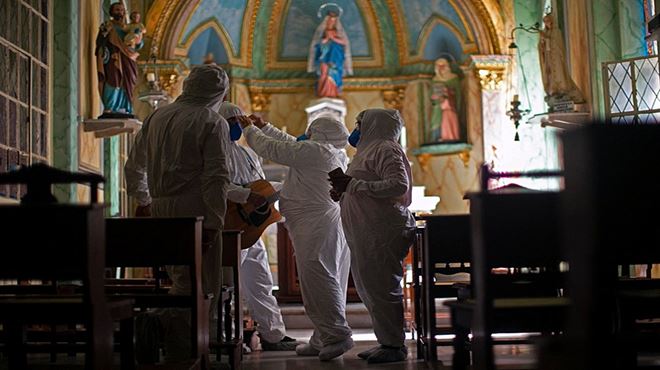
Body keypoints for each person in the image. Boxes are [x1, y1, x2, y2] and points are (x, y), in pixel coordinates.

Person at [125, 64, 231, 363]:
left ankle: (171, 339)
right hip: (194, 208)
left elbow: (134, 165)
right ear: (219, 93)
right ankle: (182, 351)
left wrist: (144, 200)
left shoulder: (158, 115)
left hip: (160, 207)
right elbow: (216, 176)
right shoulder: (212, 121)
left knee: (179, 279)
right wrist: (213, 221)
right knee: (201, 284)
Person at [237, 114, 354, 361]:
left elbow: (276, 149)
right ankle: (323, 337)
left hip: (316, 227)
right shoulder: (327, 151)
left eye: (311, 130)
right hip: (319, 225)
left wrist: (249, 129)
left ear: (319, 134)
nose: (307, 134)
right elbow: (292, 145)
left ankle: (337, 335)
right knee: (325, 278)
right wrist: (265, 126)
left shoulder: (317, 151)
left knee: (319, 279)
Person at [329, 108, 416, 364]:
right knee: (371, 289)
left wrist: (353, 185)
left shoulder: (385, 149)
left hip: (382, 230)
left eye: (360, 123)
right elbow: (366, 187)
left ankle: (394, 345)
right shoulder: (367, 151)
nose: (356, 129)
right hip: (367, 231)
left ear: (375, 124)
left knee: (383, 288)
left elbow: (398, 185)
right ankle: (386, 341)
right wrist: (344, 192)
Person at [217, 102, 301, 351]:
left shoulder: (247, 153)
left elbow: (260, 183)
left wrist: (281, 188)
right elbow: (218, 187)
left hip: (252, 227)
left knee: (260, 280)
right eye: (231, 121)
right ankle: (225, 338)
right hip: (230, 225)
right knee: (227, 284)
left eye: (238, 121)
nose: (236, 126)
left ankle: (273, 335)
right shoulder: (214, 152)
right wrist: (244, 196)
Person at [95, 2, 142, 117]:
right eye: (117, 10)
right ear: (111, 12)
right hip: (113, 58)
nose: (120, 12)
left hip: (128, 59)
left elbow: (138, 43)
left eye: (121, 10)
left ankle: (126, 107)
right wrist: (105, 33)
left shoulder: (128, 27)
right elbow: (100, 41)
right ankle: (110, 107)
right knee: (113, 80)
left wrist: (138, 40)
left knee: (128, 82)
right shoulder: (108, 25)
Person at [538, 12, 584, 105]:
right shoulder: (545, 32)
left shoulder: (556, 32)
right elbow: (541, 46)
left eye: (548, 21)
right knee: (550, 75)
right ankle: (554, 91)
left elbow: (557, 44)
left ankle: (563, 91)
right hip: (548, 58)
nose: (547, 24)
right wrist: (542, 41)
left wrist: (547, 38)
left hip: (556, 58)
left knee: (559, 73)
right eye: (545, 22)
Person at [307, 11, 353, 97]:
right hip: (324, 57)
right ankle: (321, 93)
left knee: (333, 74)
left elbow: (344, 43)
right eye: (330, 20)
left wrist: (333, 38)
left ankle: (332, 93)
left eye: (333, 20)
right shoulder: (322, 32)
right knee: (323, 74)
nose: (331, 22)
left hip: (336, 60)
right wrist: (327, 38)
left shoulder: (338, 33)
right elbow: (318, 44)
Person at [429, 57, 462, 142]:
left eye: (443, 66)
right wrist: (434, 98)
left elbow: (458, 94)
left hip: (450, 106)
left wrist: (448, 93)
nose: (441, 68)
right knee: (437, 122)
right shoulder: (435, 80)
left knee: (450, 120)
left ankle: (451, 137)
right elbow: (431, 95)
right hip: (438, 108)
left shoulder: (454, 78)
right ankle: (438, 137)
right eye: (439, 66)